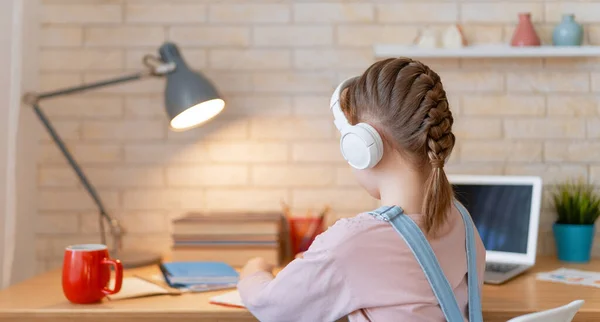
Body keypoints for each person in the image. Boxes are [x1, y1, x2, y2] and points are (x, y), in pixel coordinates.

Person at [237, 57, 486, 322]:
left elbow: (271, 307)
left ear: (362, 146)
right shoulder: (463, 221)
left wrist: (255, 269)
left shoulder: (352, 242)